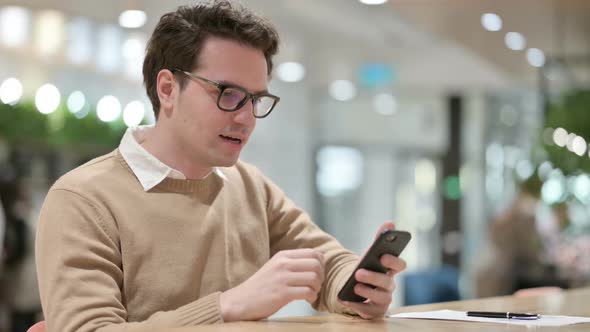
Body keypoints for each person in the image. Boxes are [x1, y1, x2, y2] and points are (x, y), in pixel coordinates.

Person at [35, 1, 407, 332]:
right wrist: (227, 306)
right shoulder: (83, 199)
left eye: (256, 99)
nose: (246, 118)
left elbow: (327, 262)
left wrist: (357, 287)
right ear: (167, 89)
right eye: (228, 94)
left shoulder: (248, 186)